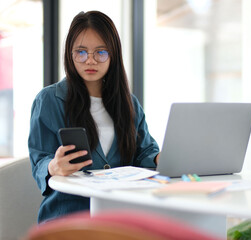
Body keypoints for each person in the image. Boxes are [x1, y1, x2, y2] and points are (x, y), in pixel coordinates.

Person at [28, 10, 160, 223]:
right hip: (68, 218)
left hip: (118, 217)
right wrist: (53, 166)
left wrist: (160, 158)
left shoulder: (129, 103)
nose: (90, 60)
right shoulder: (49, 100)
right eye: (81, 52)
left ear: (113, 56)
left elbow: (144, 151)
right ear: (70, 55)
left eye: (101, 52)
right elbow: (39, 160)